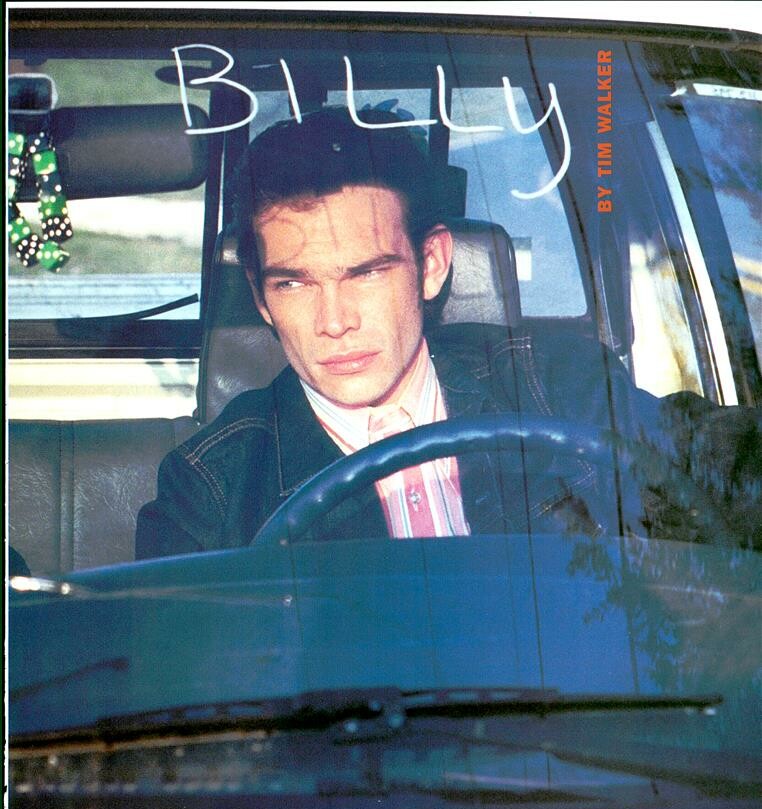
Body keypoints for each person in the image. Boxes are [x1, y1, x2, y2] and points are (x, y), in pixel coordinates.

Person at [135, 107, 760, 559]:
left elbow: (723, 467)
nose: (334, 322)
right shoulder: (210, 488)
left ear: (431, 264)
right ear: (260, 298)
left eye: (366, 273)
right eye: (294, 284)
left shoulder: (555, 386)